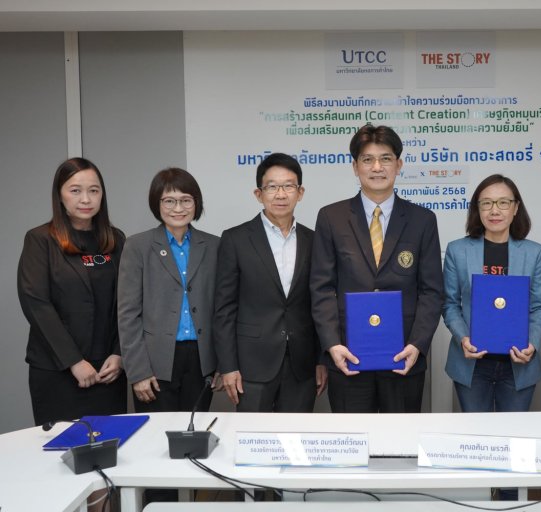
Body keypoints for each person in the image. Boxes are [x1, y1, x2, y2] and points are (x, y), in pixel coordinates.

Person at [310, 124, 443, 413]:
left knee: (402, 438)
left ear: (399, 164)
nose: (377, 167)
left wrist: (417, 344)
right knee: (353, 438)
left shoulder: (422, 220)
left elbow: (431, 291)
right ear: (355, 167)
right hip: (348, 357)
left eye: (385, 159)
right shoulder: (331, 217)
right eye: (367, 159)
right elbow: (322, 288)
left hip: (403, 357)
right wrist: (332, 345)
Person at [18, 157, 127, 426]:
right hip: (58, 370)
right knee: (62, 447)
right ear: (60, 195)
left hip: (108, 371)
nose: (86, 199)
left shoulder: (116, 239)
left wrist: (119, 354)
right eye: (75, 190)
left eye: (94, 190)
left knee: (111, 445)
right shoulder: (40, 239)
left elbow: (127, 302)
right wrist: (74, 362)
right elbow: (36, 304)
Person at [215, 153, 327, 412]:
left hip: (302, 364)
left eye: (288, 186)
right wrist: (228, 366)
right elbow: (224, 309)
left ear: (300, 192)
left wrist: (321, 359)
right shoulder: (235, 239)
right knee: (251, 435)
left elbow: (320, 304)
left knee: (296, 434)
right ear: (259, 194)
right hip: (251, 365)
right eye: (272, 187)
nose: (281, 194)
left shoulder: (314, 240)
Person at [118, 168, 220, 414]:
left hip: (202, 360)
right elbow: (128, 314)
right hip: (155, 362)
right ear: (157, 203)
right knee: (157, 433)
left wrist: (222, 363)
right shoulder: (138, 246)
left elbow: (222, 309)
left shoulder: (215, 245)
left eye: (186, 200)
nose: (178, 208)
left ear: (196, 203)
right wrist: (138, 372)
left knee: (195, 430)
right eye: (169, 201)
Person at [443, 174, 541, 412]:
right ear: (477, 209)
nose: (494, 210)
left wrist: (531, 344)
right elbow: (449, 304)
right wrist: (463, 338)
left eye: (503, 203)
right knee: (475, 433)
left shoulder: (534, 253)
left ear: (516, 207)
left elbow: (537, 306)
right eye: (486, 203)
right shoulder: (458, 250)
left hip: (518, 363)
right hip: (472, 364)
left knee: (514, 432)